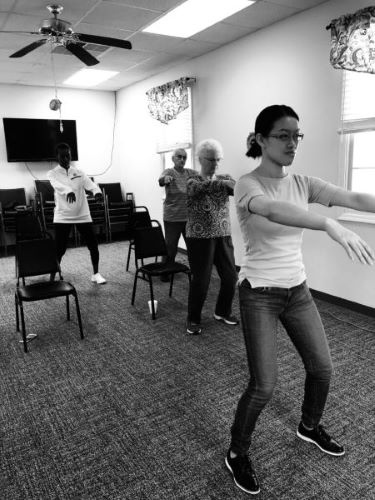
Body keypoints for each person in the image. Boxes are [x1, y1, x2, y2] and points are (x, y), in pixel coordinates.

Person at [226, 104, 375, 495]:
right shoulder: (247, 184)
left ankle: (308, 427)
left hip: (297, 291)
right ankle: (237, 452)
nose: (292, 143)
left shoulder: (304, 182)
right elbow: (275, 211)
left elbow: (354, 197)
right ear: (260, 139)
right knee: (264, 385)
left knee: (322, 369)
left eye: (297, 136)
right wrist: (327, 223)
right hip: (259, 293)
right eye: (283, 135)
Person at [185, 139, 239, 335]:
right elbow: (197, 189)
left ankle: (222, 311)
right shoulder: (192, 180)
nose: (215, 164)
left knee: (231, 276)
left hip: (223, 235)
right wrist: (219, 182)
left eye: (218, 159)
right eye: (211, 159)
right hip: (199, 238)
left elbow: (236, 188)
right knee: (202, 280)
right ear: (200, 159)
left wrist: (226, 182)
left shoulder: (225, 178)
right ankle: (193, 319)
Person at [47, 142, 106, 284]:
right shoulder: (52, 173)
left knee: (93, 244)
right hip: (63, 216)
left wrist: (96, 192)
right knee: (59, 249)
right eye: (62, 157)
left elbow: (90, 184)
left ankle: (96, 274)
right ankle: (52, 278)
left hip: (82, 214)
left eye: (68, 156)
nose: (66, 159)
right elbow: (58, 186)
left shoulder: (78, 172)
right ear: (57, 157)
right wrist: (68, 191)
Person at [158, 148, 198, 281]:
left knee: (193, 246)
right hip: (172, 217)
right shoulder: (170, 171)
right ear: (173, 158)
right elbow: (161, 180)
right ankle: (165, 272)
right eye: (179, 157)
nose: (182, 159)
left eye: (184, 157)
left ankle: (196, 272)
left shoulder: (190, 173)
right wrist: (165, 179)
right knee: (171, 247)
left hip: (188, 218)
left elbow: (203, 176)